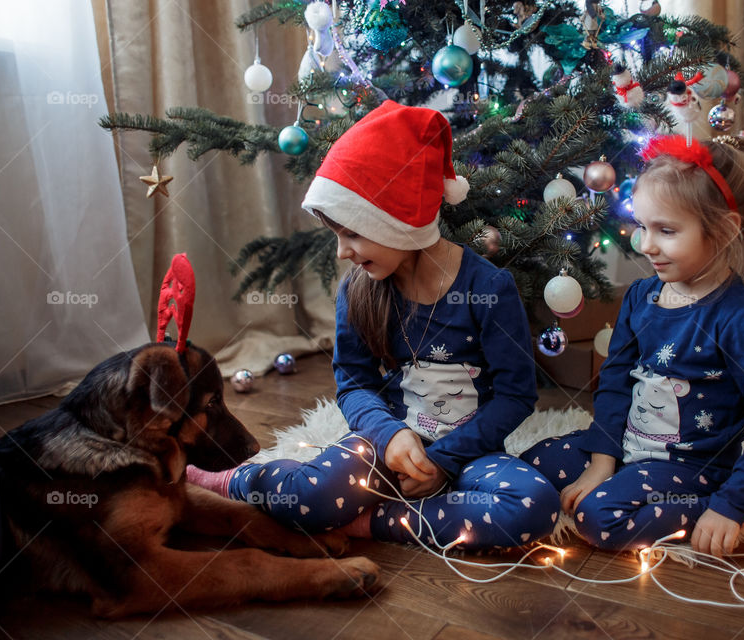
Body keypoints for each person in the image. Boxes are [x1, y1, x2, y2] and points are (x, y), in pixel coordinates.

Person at [189, 100, 559, 550]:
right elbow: (353, 383)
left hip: (468, 452)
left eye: (352, 233)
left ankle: (368, 522)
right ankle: (234, 480)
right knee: (315, 494)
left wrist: (440, 461)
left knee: (533, 506)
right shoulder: (359, 288)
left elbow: (516, 394)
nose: (342, 251)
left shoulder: (490, 288)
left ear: (400, 223)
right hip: (385, 441)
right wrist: (391, 436)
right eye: (337, 235)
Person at [521, 134, 744, 557]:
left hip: (690, 467)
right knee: (531, 462)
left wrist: (731, 505)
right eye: (643, 227)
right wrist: (602, 461)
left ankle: (729, 502)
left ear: (724, 231)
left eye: (666, 231)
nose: (647, 245)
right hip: (628, 446)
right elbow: (615, 381)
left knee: (599, 517)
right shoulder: (640, 296)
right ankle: (614, 476)